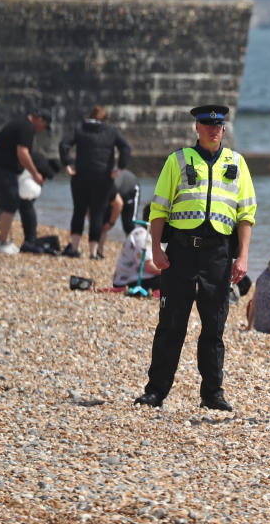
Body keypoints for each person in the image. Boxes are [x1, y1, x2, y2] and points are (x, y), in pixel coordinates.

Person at [134, 105, 254, 411]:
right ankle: (156, 391)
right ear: (196, 128)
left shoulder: (237, 163)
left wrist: (243, 257)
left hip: (218, 254)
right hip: (182, 252)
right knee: (171, 323)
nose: (214, 129)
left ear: (224, 129)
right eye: (206, 124)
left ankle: (212, 393)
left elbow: (245, 215)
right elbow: (159, 208)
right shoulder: (177, 161)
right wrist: (156, 250)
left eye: (218, 125)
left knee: (214, 327)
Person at [59, 105, 132, 260]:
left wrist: (68, 164)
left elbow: (64, 144)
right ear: (104, 119)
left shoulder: (80, 129)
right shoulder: (111, 131)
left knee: (78, 211)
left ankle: (74, 248)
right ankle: (93, 253)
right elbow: (126, 147)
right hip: (103, 177)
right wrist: (120, 168)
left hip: (80, 176)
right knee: (97, 213)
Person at [0, 108, 51, 255]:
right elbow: (23, 153)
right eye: (44, 126)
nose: (42, 130)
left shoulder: (19, 123)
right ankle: (3, 244)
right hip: (2, 170)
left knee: (4, 204)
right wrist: (35, 174)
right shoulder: (26, 127)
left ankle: (6, 240)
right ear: (40, 119)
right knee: (10, 205)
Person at [112, 203, 161, 291]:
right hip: (128, 281)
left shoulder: (151, 236)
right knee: (171, 280)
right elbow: (149, 266)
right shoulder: (141, 235)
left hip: (138, 278)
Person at [109, 168, 142, 235]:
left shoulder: (113, 188)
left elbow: (119, 204)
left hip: (132, 190)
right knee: (103, 223)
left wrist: (111, 223)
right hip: (118, 191)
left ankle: (133, 242)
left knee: (129, 224)